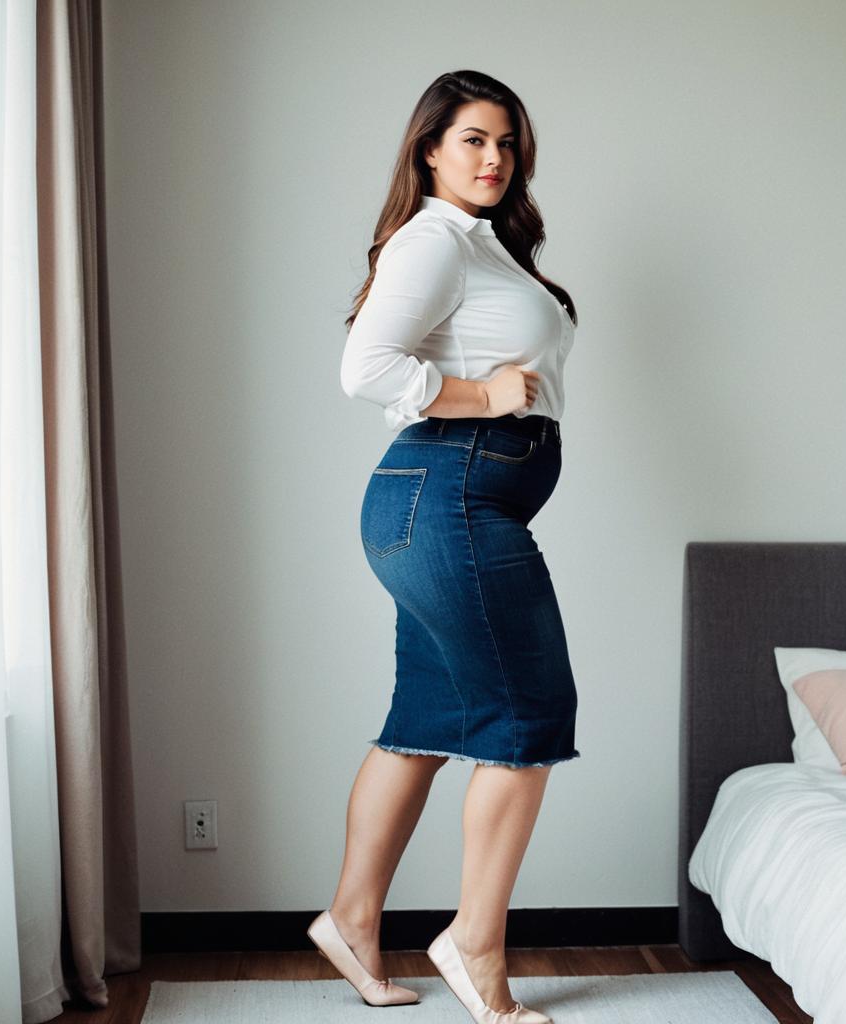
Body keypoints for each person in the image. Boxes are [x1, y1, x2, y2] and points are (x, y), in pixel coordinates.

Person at [307, 71, 580, 1024]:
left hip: (440, 502)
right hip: (449, 496)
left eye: (506, 142)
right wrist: (486, 396)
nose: (494, 158)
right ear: (429, 149)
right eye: (472, 139)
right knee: (528, 715)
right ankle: (475, 946)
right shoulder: (433, 240)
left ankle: (350, 920)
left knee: (426, 720)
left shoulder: (482, 244)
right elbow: (366, 368)